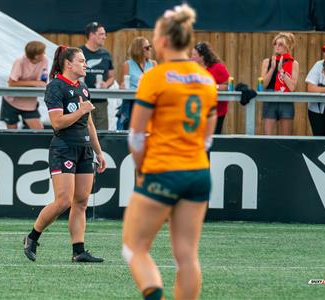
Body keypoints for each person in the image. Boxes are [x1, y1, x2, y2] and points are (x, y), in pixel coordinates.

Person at [122, 4, 217, 300]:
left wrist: (142, 170)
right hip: (198, 172)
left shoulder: (155, 77)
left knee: (134, 247)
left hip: (163, 169)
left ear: (163, 41)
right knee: (186, 255)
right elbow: (206, 139)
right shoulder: (206, 79)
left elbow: (136, 136)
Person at [23, 45, 106, 263]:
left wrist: (99, 152)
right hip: (64, 148)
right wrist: (81, 110)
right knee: (63, 201)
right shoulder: (55, 87)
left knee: (81, 202)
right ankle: (32, 237)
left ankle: (78, 251)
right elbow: (57, 123)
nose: (85, 64)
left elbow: (89, 123)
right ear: (68, 64)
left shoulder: (83, 87)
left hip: (85, 149)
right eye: (81, 61)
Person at [0, 41, 48, 129]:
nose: (44, 54)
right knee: (12, 133)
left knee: (38, 131)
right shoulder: (19, 61)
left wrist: (24, 83)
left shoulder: (44, 60)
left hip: (29, 103)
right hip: (11, 102)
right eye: (43, 52)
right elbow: (11, 83)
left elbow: (42, 82)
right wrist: (33, 83)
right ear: (36, 56)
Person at [260, 32, 299, 135]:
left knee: (285, 138)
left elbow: (292, 87)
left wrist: (281, 71)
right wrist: (272, 68)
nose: (277, 47)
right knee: (267, 136)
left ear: (288, 47)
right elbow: (262, 85)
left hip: (286, 98)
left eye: (280, 44)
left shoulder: (293, 63)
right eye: (275, 44)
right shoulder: (267, 62)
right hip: (270, 96)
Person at [80, 22, 115, 130]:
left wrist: (106, 84)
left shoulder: (106, 54)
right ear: (91, 35)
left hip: (101, 102)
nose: (105, 37)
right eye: (101, 34)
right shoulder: (78, 52)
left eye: (105, 34)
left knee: (102, 135)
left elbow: (112, 77)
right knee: (85, 134)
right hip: (83, 101)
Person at [117, 37, 157, 130]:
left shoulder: (153, 64)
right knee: (131, 130)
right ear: (138, 49)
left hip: (148, 100)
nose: (150, 49)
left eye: (150, 47)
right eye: (147, 48)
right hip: (132, 101)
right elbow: (123, 84)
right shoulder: (127, 64)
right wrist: (122, 86)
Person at [191, 41, 230, 134]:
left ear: (202, 57)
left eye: (194, 55)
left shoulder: (218, 68)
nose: (191, 57)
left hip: (216, 112)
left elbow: (228, 86)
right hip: (198, 111)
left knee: (213, 139)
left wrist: (212, 86)